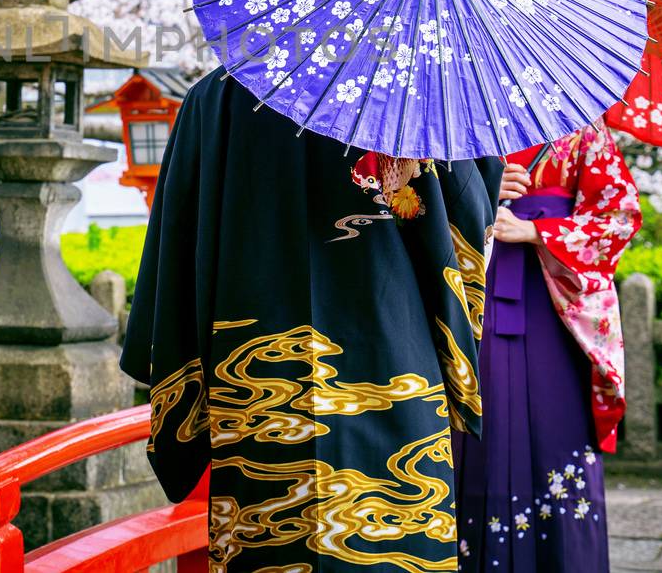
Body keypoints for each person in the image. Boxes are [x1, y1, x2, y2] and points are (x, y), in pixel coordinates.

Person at [122, 72, 504, 571]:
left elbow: (176, 246)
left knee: (265, 535)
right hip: (394, 366)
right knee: (394, 530)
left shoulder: (214, 96)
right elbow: (464, 229)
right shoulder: (416, 88)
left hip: (254, 379)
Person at [451, 123, 643, 572]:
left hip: (553, 306)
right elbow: (411, 203)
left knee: (557, 429)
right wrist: (477, 188)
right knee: (475, 424)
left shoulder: (579, 125)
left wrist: (539, 232)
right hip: (473, 293)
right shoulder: (455, 115)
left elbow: (619, 214)